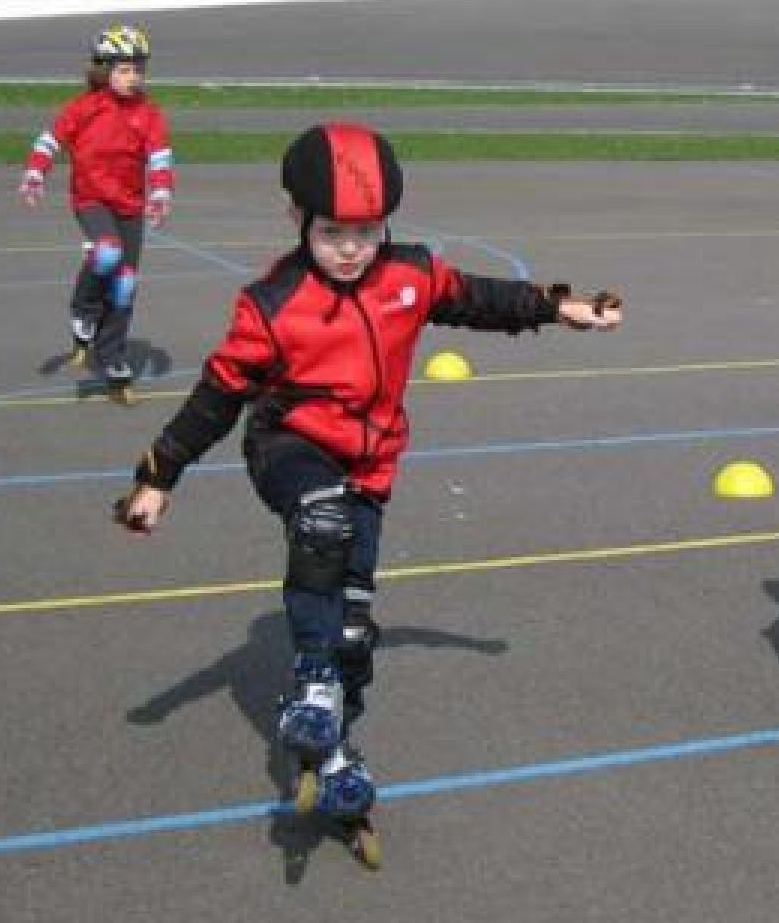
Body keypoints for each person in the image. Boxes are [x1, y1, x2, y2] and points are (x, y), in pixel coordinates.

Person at [112, 122, 623, 834]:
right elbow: (217, 396)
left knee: (355, 630)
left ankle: (335, 750)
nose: (351, 250)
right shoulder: (271, 303)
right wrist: (159, 476)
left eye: (367, 232)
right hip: (288, 445)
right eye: (331, 233)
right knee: (321, 523)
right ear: (297, 217)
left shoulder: (408, 276)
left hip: (371, 463)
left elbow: (478, 298)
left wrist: (559, 307)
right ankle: (312, 683)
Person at [18, 24, 174, 403]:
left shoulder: (149, 113)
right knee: (106, 251)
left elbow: (159, 156)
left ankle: (112, 358)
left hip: (129, 205)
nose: (133, 77)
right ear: (104, 70)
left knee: (124, 284)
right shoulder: (83, 108)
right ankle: (83, 311)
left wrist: (161, 191)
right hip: (91, 199)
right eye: (124, 69)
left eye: (138, 69)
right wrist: (35, 173)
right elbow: (50, 140)